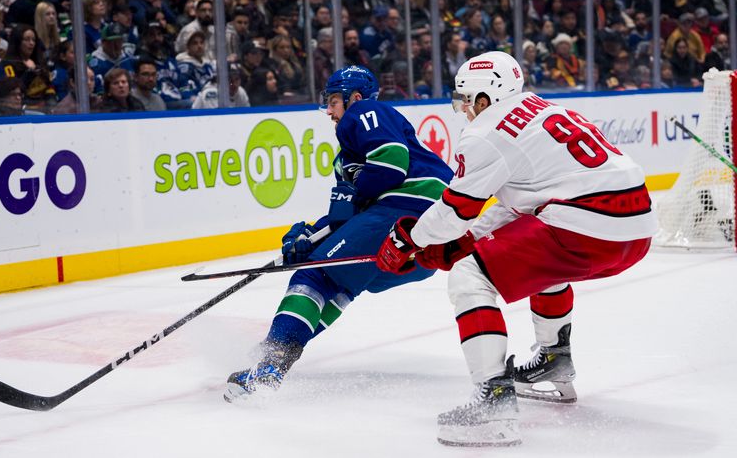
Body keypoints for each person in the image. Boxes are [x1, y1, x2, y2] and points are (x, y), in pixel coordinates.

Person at [376, 51, 657, 447]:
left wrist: (411, 239)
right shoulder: (540, 108)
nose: (462, 110)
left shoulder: (486, 131)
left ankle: (493, 401)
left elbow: (456, 210)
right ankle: (554, 361)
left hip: (588, 225)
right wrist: (465, 239)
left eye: (464, 100)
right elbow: (520, 208)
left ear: (485, 99)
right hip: (637, 227)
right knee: (543, 263)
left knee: (468, 275)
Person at [224, 65, 454, 402]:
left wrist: (348, 208)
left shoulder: (365, 111)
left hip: (408, 211)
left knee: (317, 276)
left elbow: (391, 164)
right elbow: (345, 218)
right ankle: (282, 348)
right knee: (343, 282)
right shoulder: (344, 159)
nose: (329, 111)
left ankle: (271, 365)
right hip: (421, 245)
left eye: (333, 101)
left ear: (355, 98)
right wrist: (309, 237)